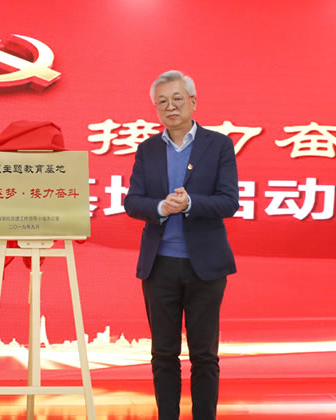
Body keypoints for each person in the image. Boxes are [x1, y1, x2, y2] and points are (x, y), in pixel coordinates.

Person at [124, 70, 240, 420]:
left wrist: (191, 203)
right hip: (159, 265)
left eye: (177, 99)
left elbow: (229, 202)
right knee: (163, 354)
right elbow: (133, 202)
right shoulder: (147, 149)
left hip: (205, 266)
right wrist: (161, 207)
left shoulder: (218, 145)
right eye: (162, 101)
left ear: (193, 101)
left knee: (204, 355)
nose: (170, 107)